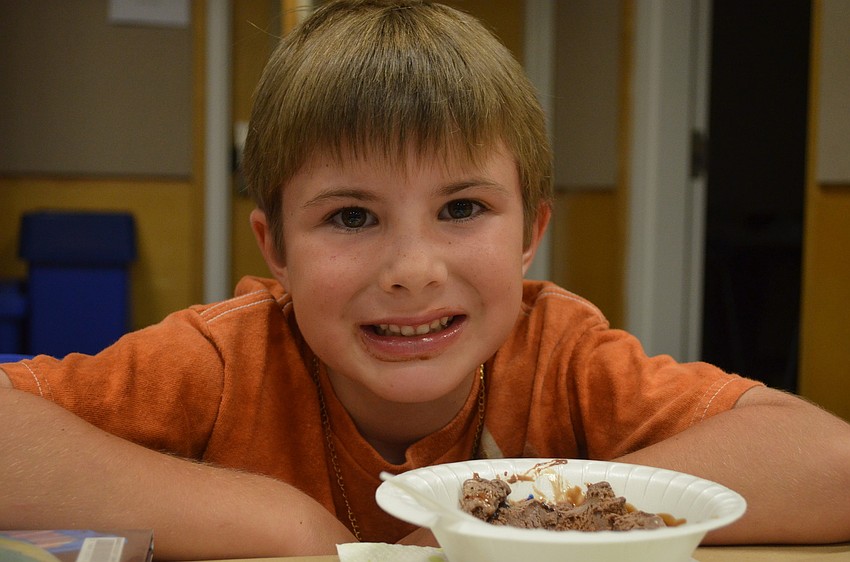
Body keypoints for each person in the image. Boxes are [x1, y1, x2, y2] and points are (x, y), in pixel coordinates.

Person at [2, 0, 849, 559]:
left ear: (532, 234)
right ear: (277, 252)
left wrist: (494, 518)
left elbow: (830, 461)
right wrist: (282, 523)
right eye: (351, 217)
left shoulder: (559, 354)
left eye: (462, 208)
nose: (412, 272)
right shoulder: (223, 361)